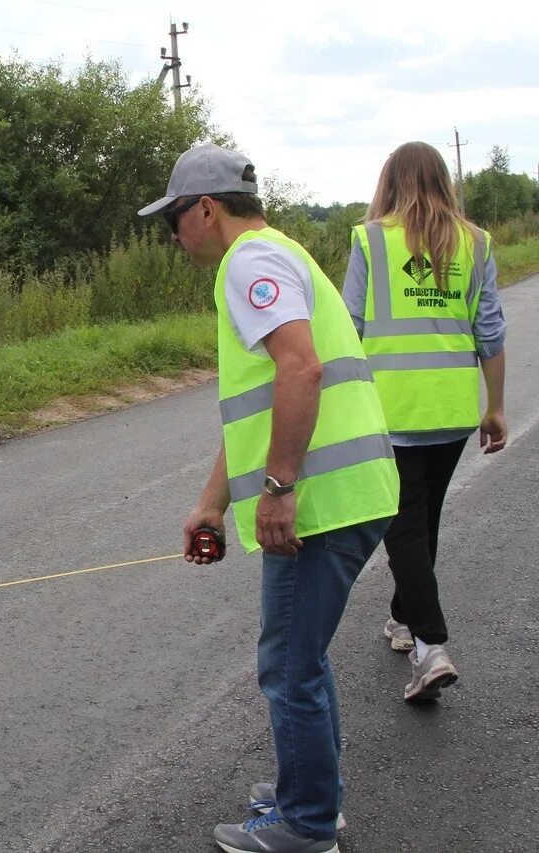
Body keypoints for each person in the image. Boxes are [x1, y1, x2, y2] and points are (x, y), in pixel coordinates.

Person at [139, 145, 399, 853]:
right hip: (347, 492)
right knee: (300, 656)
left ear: (206, 209)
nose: (173, 234)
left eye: (175, 218)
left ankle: (308, 824)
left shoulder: (248, 264)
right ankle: (313, 797)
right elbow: (260, 404)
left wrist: (279, 488)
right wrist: (212, 503)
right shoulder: (278, 254)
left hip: (322, 501)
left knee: (288, 662)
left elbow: (301, 367)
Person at [344, 141, 507, 702]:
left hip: (391, 409)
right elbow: (490, 332)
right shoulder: (476, 241)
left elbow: (349, 327)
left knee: (404, 525)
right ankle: (403, 619)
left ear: (389, 180)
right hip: (452, 408)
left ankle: (431, 646)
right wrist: (495, 406)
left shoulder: (369, 239)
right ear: (442, 179)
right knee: (423, 521)